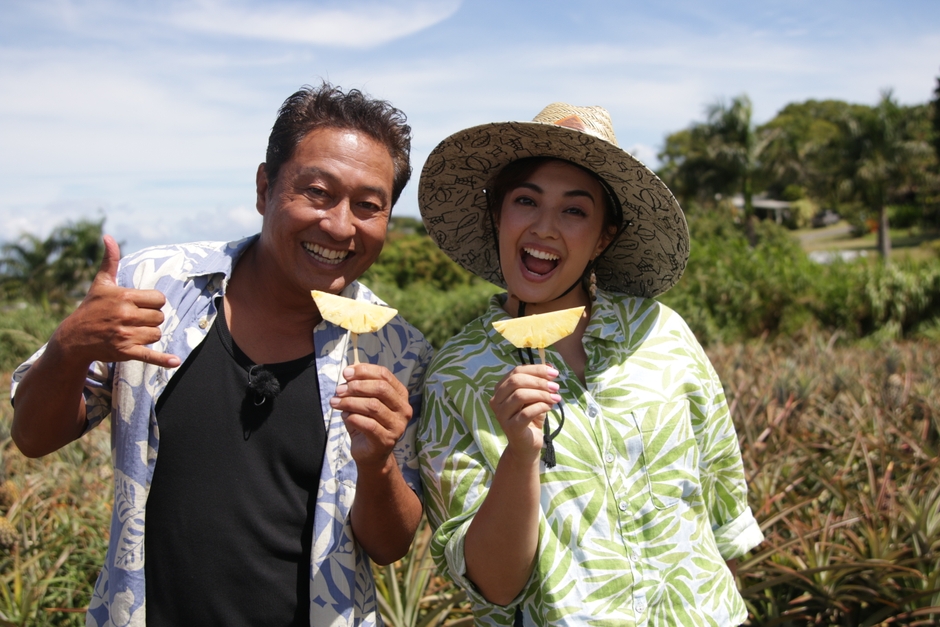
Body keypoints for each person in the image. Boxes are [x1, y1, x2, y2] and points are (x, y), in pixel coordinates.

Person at [10, 83, 431, 627]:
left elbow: (389, 545)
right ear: (264, 187)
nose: (340, 225)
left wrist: (377, 462)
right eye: (318, 192)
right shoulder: (155, 288)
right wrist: (69, 347)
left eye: (369, 206)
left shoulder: (397, 350)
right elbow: (32, 437)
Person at [416, 103, 764, 625]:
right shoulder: (455, 375)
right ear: (497, 215)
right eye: (525, 201)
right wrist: (519, 455)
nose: (545, 227)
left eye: (574, 210)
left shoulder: (661, 334)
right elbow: (494, 585)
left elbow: (719, 514)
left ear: (604, 236)